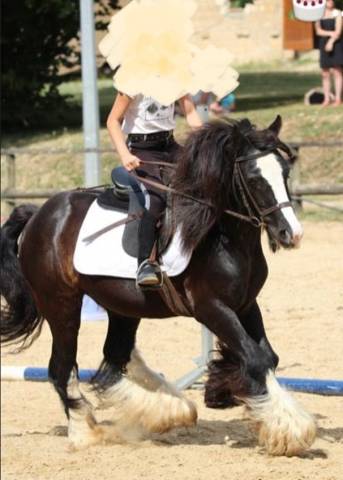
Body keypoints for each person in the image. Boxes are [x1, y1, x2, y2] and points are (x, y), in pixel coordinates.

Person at [106, 93, 202, 287]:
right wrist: (124, 154)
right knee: (155, 199)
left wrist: (206, 138)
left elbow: (190, 111)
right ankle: (145, 263)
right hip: (142, 149)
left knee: (202, 183)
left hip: (170, 145)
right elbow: (112, 121)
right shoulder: (130, 83)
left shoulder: (175, 78)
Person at [315, 0, 343, 107]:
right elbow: (318, 31)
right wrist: (331, 34)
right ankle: (326, 99)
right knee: (325, 73)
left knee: (337, 72)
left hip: (337, 44)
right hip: (323, 44)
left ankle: (338, 99)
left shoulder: (338, 13)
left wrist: (330, 42)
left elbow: (338, 31)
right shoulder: (318, 15)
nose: (331, 1)